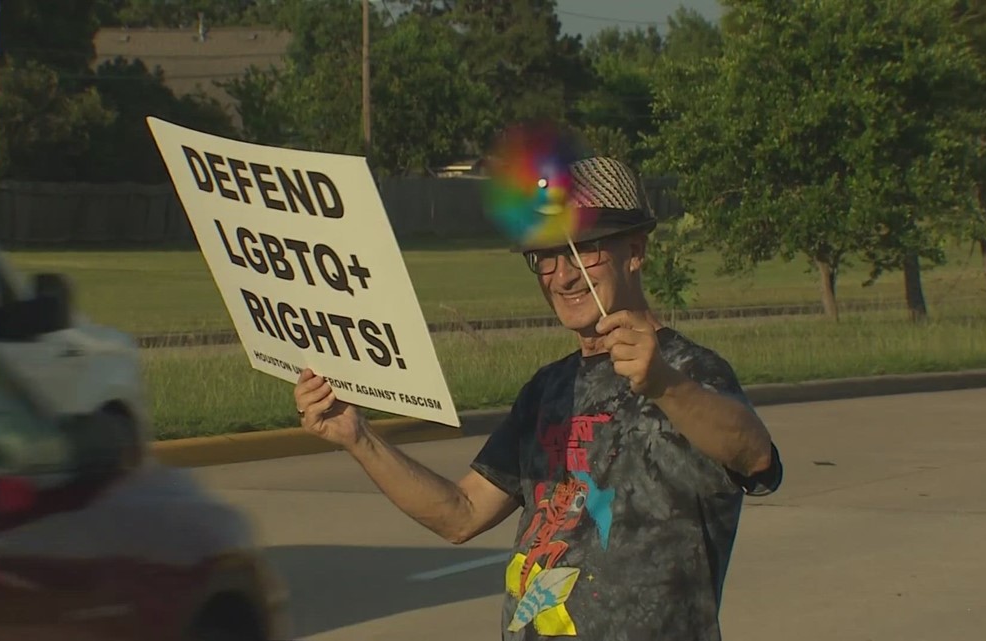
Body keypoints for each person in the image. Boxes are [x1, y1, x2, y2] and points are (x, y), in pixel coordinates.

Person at [293, 156, 783, 640]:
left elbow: (755, 456)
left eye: (584, 250)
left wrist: (663, 383)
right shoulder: (549, 389)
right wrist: (358, 436)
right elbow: (461, 513)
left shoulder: (689, 370)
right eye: (545, 256)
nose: (563, 275)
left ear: (635, 250)